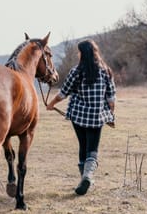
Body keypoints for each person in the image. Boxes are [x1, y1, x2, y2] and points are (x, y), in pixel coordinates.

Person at [46, 39, 116, 195]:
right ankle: (87, 176)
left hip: (78, 116)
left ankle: (84, 178)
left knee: (83, 146)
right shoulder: (106, 71)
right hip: (97, 117)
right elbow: (111, 99)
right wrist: (111, 116)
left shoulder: (76, 71)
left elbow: (63, 93)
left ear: (82, 54)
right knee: (92, 149)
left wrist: (51, 104)